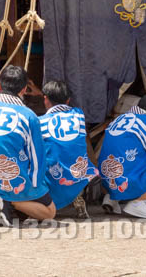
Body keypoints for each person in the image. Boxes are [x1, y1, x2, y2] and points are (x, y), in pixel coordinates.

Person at [0, 66, 54, 226]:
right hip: (11, 178)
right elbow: (37, 158)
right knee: (49, 212)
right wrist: (35, 186)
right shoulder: (29, 116)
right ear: (25, 89)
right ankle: (8, 201)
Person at [39, 79, 97, 218]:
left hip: (54, 173)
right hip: (80, 172)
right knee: (73, 159)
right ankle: (77, 197)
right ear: (68, 100)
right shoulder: (79, 115)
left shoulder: (40, 121)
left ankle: (47, 203)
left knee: (41, 158)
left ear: (45, 99)